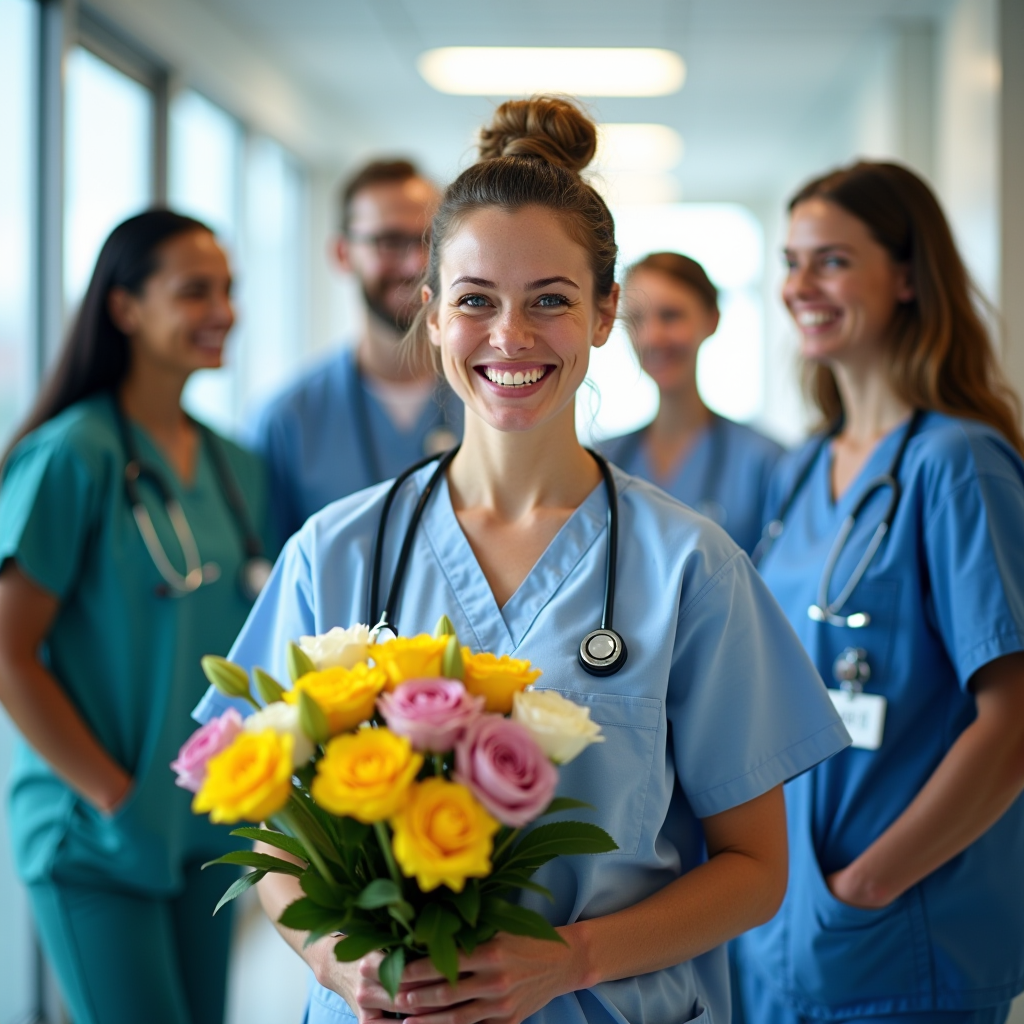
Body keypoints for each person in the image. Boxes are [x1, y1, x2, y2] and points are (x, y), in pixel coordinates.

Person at [196, 95, 849, 1024]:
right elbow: (272, 832)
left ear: (603, 314)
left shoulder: (690, 567)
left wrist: (569, 959)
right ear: (430, 314)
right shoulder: (334, 552)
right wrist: (338, 960)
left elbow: (754, 872)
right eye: (475, 301)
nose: (511, 337)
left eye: (551, 299)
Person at [733, 162, 1024, 1024]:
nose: (800, 286)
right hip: (781, 923)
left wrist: (868, 885)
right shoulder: (799, 471)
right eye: (791, 261)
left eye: (831, 261)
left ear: (906, 275)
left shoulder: (957, 464)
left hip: (896, 929)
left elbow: (1012, 724)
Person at [0, 211, 272, 1024]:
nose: (222, 310)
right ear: (124, 307)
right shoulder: (70, 456)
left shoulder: (234, 466)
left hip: (203, 826)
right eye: (195, 292)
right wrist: (113, 797)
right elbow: (9, 653)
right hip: (97, 829)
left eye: (227, 290)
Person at [250, 158, 462, 545]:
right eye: (390, 242)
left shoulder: (493, 398)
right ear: (343, 254)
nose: (416, 263)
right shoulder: (288, 421)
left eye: (431, 241)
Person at [600, 252, 783, 555]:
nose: (652, 337)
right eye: (636, 319)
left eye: (670, 316)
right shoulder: (603, 460)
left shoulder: (763, 462)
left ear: (712, 319)